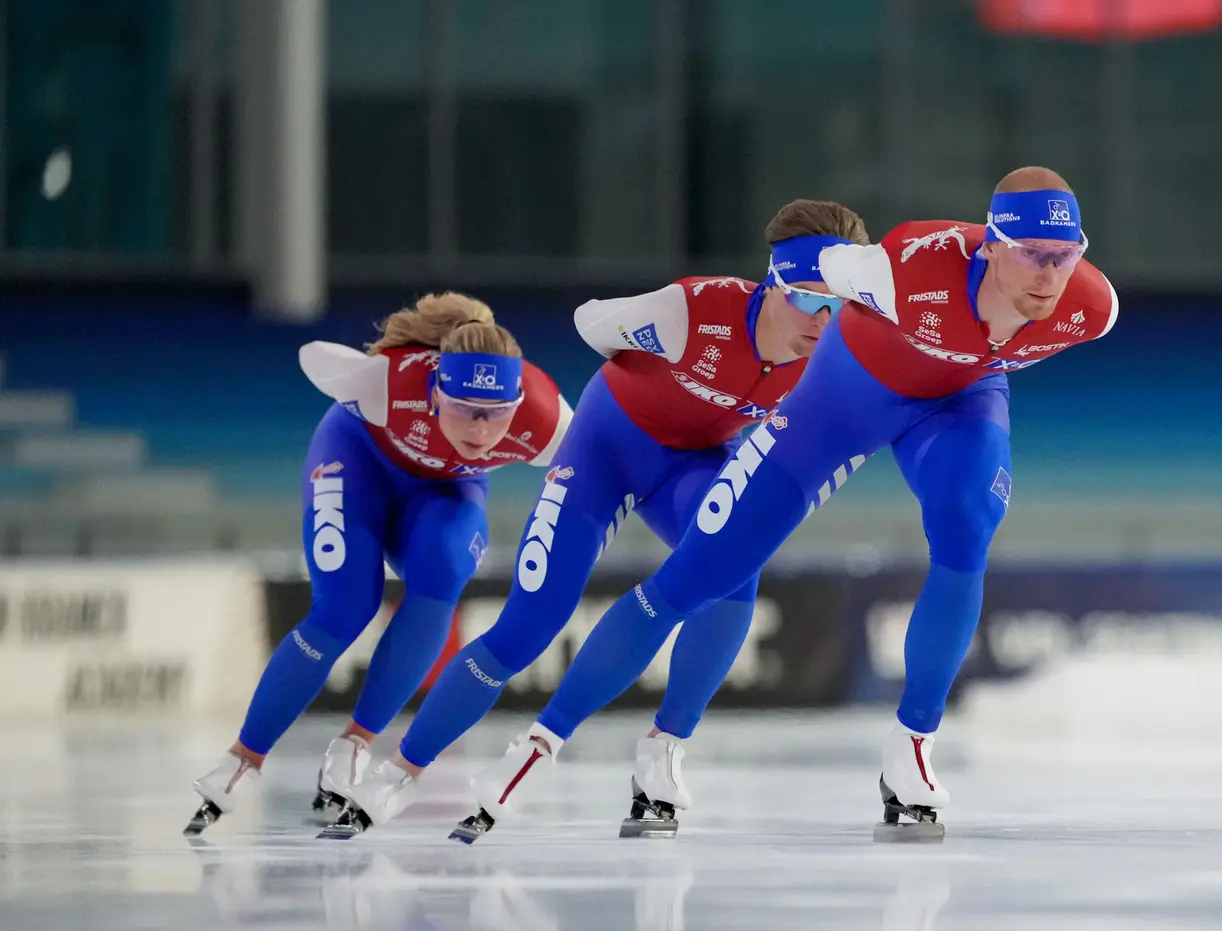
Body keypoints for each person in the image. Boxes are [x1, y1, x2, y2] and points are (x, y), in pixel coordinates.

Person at [457, 167, 1117, 842]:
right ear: (990, 245)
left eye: (1063, 257)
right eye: (1033, 254)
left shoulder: (1090, 308)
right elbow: (823, 262)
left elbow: (1034, 319)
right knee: (695, 578)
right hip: (840, 402)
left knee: (967, 521)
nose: (1048, 274)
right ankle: (539, 749)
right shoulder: (904, 271)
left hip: (959, 404)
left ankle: (912, 746)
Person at [324, 199, 870, 840]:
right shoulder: (691, 313)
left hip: (691, 468)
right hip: (604, 453)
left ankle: (662, 752)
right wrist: (635, 346)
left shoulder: (836, 356)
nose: (824, 320)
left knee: (732, 572)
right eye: (809, 300)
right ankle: (401, 771)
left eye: (840, 304)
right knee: (529, 625)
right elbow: (590, 323)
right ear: (773, 281)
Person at [184, 293, 571, 835]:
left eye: (497, 416)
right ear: (435, 391)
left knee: (443, 573)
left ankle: (355, 745)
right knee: (345, 606)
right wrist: (371, 369)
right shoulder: (385, 382)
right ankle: (241, 759)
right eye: (464, 410)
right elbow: (312, 356)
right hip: (356, 460)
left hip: (447, 489)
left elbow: (603, 466)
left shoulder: (549, 420)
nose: (482, 432)